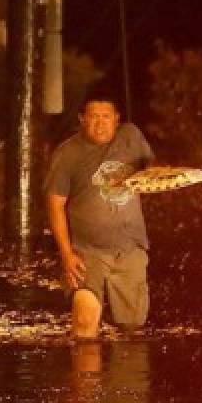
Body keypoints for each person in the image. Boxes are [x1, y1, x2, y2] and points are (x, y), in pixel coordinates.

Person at [46, 90, 154, 339]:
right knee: (84, 323)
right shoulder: (67, 154)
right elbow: (54, 205)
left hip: (130, 248)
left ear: (117, 119)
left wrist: (159, 177)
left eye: (106, 117)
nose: (100, 123)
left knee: (131, 327)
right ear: (82, 119)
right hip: (87, 252)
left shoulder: (131, 137)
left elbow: (150, 170)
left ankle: (123, 377)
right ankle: (86, 377)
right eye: (94, 117)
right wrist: (66, 254)